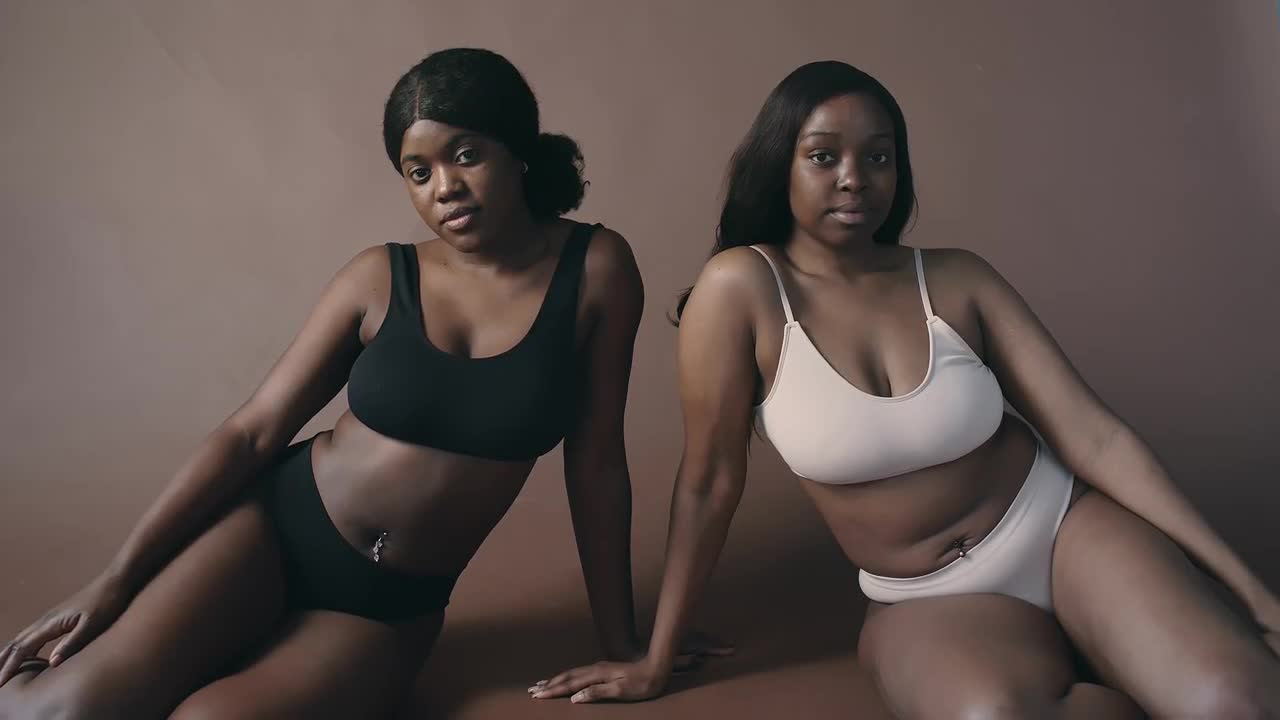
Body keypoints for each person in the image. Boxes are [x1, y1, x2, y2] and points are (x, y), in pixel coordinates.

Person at [530, 60, 1280, 717]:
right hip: (925, 595)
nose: (856, 177)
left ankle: (1129, 638)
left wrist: (1250, 594)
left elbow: (1095, 436)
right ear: (779, 167)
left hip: (1060, 532)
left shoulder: (954, 276)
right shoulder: (743, 291)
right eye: (824, 157)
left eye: (879, 157)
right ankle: (1099, 663)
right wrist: (653, 659)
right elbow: (708, 484)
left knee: (1234, 704)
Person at [0, 47, 662, 719]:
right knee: (60, 709)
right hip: (272, 531)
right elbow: (252, 432)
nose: (444, 188)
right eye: (418, 170)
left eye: (465, 155)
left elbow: (598, 463)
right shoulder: (380, 277)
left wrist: (622, 644)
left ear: (518, 150)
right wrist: (115, 581)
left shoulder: (597, 270)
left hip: (384, 609)